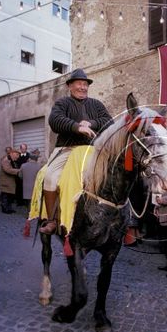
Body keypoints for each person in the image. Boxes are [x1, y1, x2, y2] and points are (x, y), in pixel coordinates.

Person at [39, 68, 113, 235]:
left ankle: (120, 218)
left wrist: (91, 123)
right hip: (67, 149)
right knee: (50, 177)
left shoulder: (97, 104)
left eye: (85, 84)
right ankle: (52, 220)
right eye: (79, 83)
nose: (83, 87)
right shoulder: (62, 103)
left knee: (114, 176)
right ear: (70, 86)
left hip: (93, 150)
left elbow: (109, 121)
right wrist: (77, 127)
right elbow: (55, 120)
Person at [0, 149, 21, 214]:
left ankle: (9, 208)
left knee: (9, 197)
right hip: (6, 183)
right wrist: (19, 171)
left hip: (10, 183)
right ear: (12, 153)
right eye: (17, 155)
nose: (18, 157)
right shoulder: (5, 160)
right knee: (5, 197)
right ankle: (5, 209)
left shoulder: (11, 160)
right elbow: (8, 170)